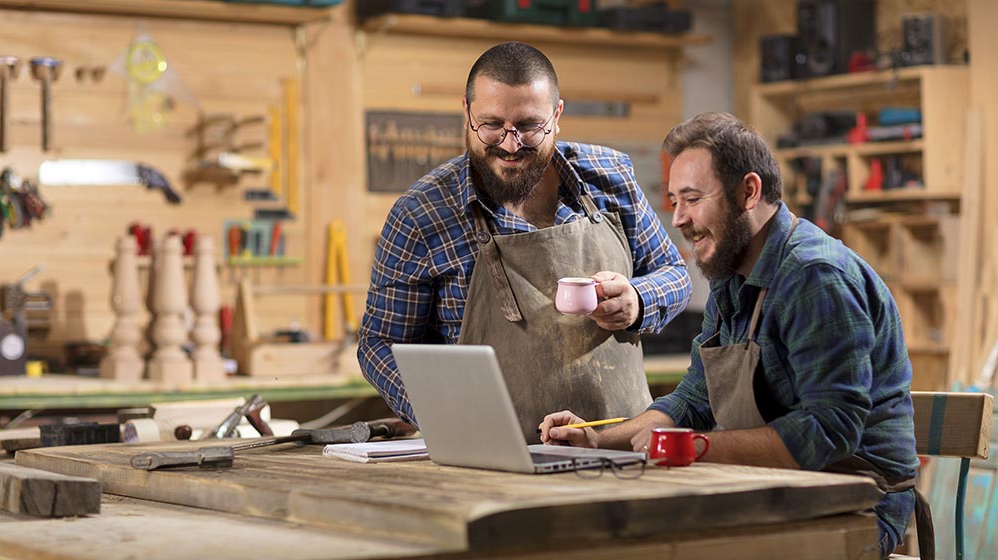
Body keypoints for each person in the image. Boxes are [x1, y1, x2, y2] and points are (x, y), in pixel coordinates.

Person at [539, 112, 926, 558]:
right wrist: (597, 442)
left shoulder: (816, 277)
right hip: (781, 489)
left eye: (692, 198)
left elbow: (829, 430)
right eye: (673, 201)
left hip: (859, 501)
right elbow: (694, 401)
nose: (679, 219)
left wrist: (697, 447)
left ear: (749, 191)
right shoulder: (732, 277)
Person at [358, 41, 691, 443]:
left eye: (530, 126)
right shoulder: (421, 215)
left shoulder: (610, 177)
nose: (511, 144)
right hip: (490, 453)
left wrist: (638, 299)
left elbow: (676, 276)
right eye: (492, 125)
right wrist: (441, 410)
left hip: (617, 444)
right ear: (466, 114)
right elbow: (380, 343)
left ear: (557, 115)